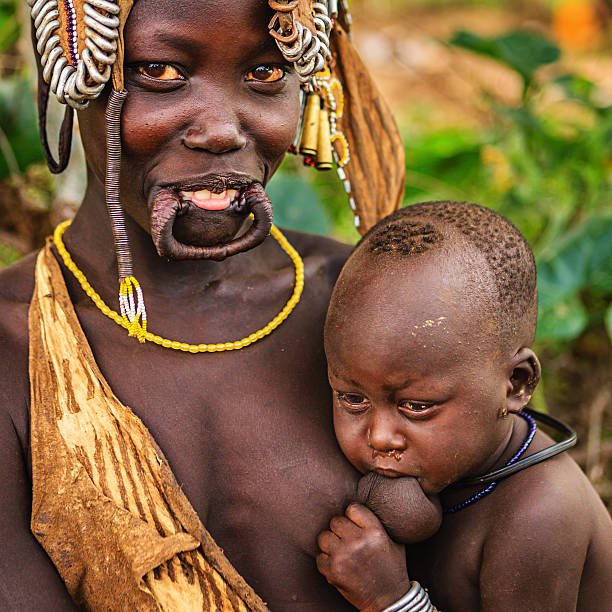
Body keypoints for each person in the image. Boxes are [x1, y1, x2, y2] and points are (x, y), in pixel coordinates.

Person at [0, 0, 406, 609]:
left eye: (265, 72)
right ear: (66, 70)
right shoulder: (12, 348)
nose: (220, 129)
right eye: (160, 72)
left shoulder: (369, 301)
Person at [317, 202, 612, 612]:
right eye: (353, 398)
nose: (379, 436)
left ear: (516, 383)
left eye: (416, 406)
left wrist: (391, 599)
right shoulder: (445, 468)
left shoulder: (540, 515)